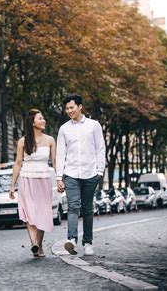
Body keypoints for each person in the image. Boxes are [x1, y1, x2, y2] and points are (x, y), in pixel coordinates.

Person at [56, 94, 105, 256]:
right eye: (67, 108)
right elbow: (60, 153)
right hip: (71, 174)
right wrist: (59, 177)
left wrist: (99, 171)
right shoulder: (64, 129)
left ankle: (88, 242)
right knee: (73, 206)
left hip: (90, 174)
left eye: (72, 107)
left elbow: (100, 148)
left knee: (87, 209)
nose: (69, 111)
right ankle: (71, 239)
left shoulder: (93, 125)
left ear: (80, 107)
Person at [10, 108, 56, 257]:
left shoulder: (50, 140)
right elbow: (17, 163)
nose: (44, 121)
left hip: (44, 180)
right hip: (27, 180)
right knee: (30, 213)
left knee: (42, 213)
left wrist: (61, 180)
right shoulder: (23, 141)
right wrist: (12, 185)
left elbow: (55, 162)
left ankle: (39, 245)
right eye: (40, 118)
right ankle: (34, 243)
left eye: (43, 118)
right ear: (32, 122)